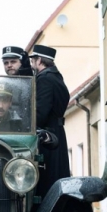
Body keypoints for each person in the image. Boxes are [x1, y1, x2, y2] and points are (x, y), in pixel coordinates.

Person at [30, 45, 70, 198]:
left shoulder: (45, 78)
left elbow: (40, 114)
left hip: (48, 136)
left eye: (33, 60)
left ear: (39, 60)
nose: (32, 63)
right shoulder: (56, 76)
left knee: (47, 183)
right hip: (56, 131)